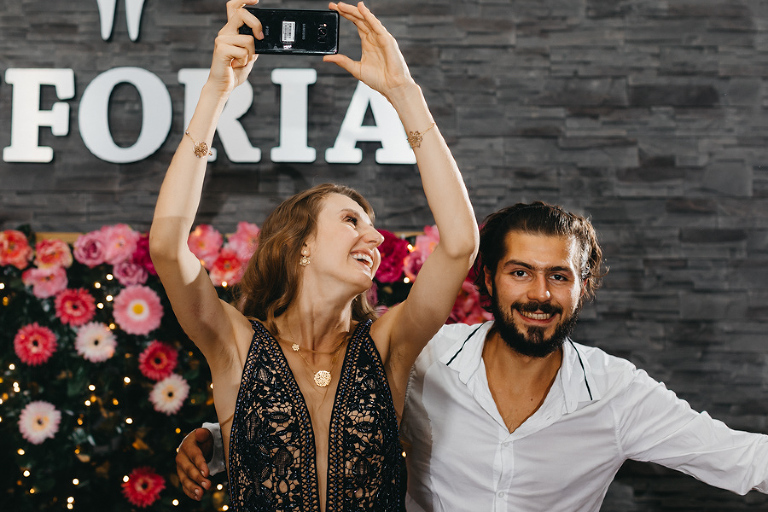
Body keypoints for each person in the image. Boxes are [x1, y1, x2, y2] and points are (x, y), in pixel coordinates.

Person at [178, 202, 768, 511]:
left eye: (559, 276)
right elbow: (329, 414)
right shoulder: (427, 358)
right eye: (520, 273)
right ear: (488, 279)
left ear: (583, 287)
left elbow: (741, 458)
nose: (539, 295)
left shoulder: (617, 392)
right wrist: (217, 440)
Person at [149, 0, 478, 510]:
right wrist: (216, 92)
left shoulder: (389, 345)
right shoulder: (235, 345)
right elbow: (167, 247)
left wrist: (404, 93)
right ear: (300, 244)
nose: (375, 238)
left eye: (372, 226)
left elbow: (460, 244)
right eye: (351, 221)